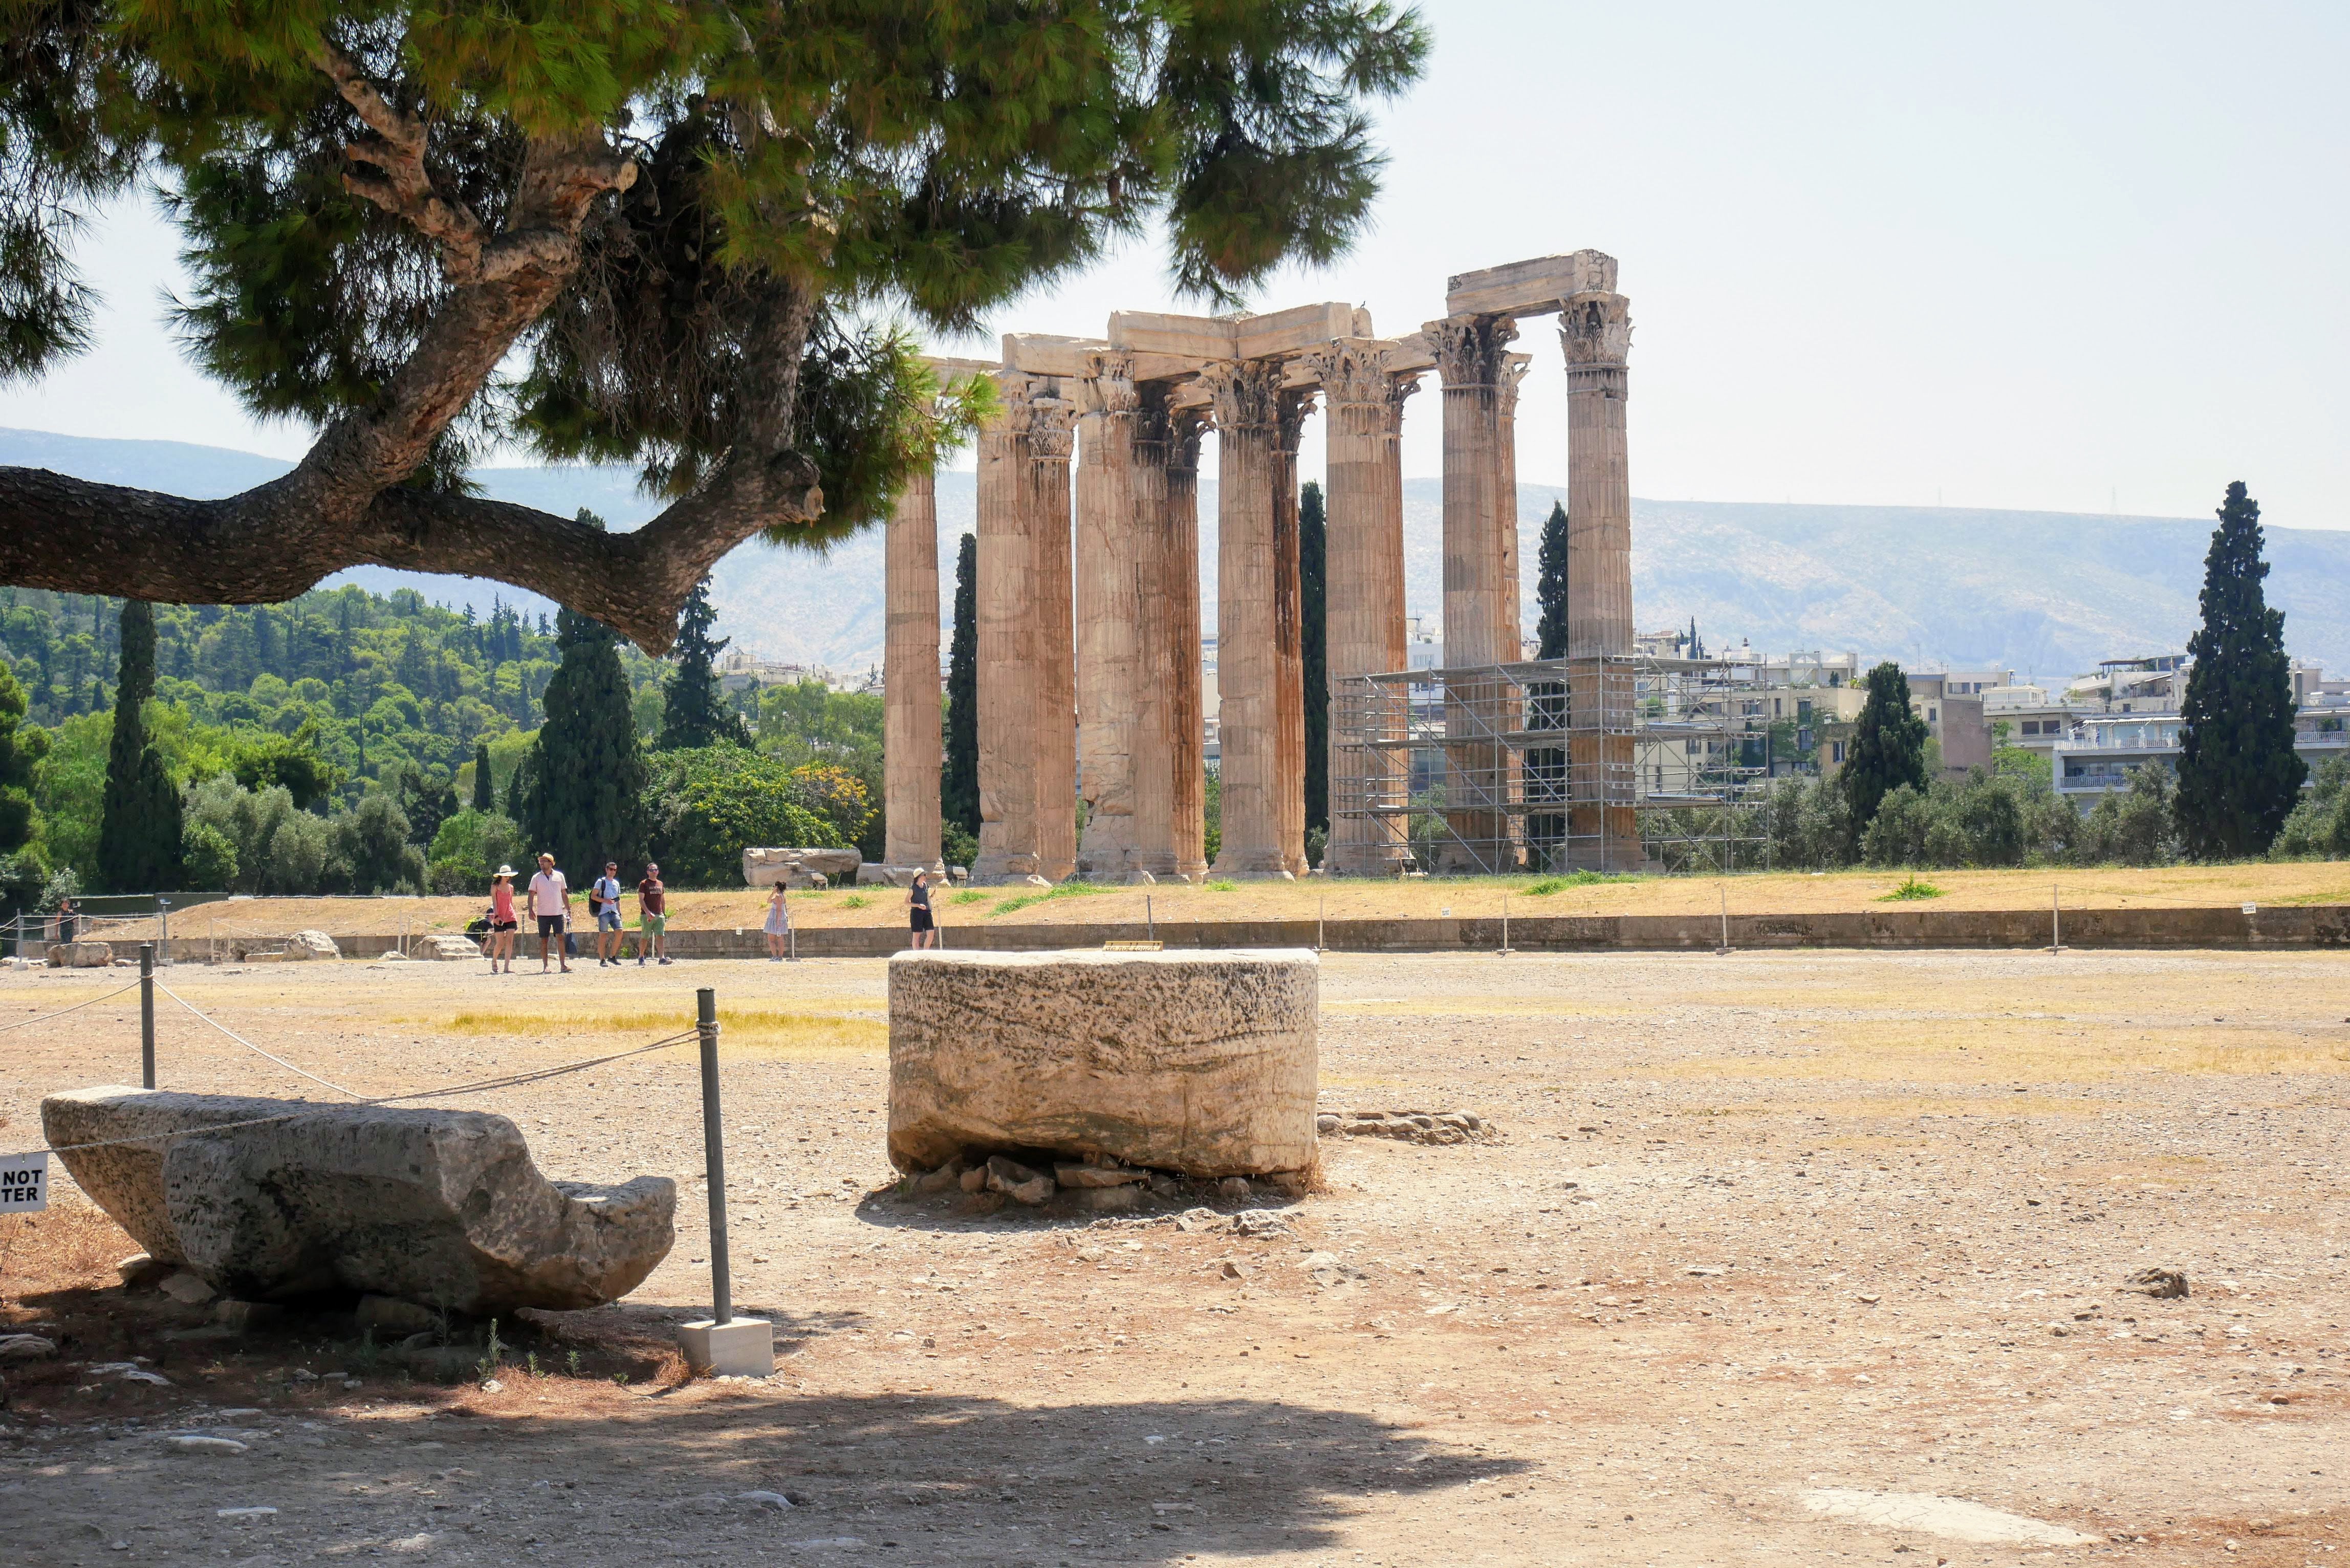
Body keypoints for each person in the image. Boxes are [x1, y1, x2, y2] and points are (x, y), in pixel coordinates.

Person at [527, 853, 572, 973]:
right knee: (544, 940)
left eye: (544, 861)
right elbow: (531, 894)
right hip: (543, 914)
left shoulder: (560, 876)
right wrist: (530, 909)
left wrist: (568, 909)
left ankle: (563, 965)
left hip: (558, 913)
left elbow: (564, 893)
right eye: (540, 862)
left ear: (551, 863)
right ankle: (546, 966)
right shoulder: (536, 878)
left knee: (561, 937)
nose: (541, 864)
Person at [592, 860, 626, 967]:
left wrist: (619, 912)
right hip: (604, 912)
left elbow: (617, 899)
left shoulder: (616, 883)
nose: (613, 872)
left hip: (614, 912)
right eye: (611, 869)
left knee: (620, 932)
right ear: (607, 870)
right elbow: (593, 896)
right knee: (603, 935)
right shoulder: (601, 882)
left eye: (615, 870)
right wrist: (605, 901)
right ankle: (602, 959)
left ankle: (612, 956)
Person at [487, 865, 519, 974]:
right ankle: (494, 960)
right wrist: (496, 916)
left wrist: (514, 915)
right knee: (500, 943)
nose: (508, 877)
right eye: (506, 876)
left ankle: (506, 967)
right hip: (499, 916)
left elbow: (511, 902)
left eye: (509, 876)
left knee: (509, 941)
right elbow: (494, 902)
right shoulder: (495, 887)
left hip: (510, 915)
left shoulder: (511, 888)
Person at [636, 862, 669, 966]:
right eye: (652, 870)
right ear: (648, 872)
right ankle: (641, 957)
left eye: (655, 870)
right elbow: (641, 900)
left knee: (660, 936)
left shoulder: (660, 884)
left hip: (659, 915)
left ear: (658, 872)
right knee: (645, 936)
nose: (654, 872)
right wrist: (647, 912)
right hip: (647, 916)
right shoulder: (644, 884)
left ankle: (662, 958)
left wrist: (664, 913)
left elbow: (662, 899)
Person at [906, 870, 938, 950]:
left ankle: (925, 952)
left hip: (927, 912)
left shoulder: (926, 886)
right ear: (919, 876)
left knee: (931, 932)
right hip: (916, 913)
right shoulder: (913, 888)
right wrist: (918, 906)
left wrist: (932, 896)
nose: (926, 876)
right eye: (924, 875)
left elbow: (925, 899)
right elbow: (906, 902)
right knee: (917, 935)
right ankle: (917, 955)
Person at [763, 880, 792, 961]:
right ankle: (780, 957)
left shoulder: (778, 897)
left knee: (772, 939)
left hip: (776, 919)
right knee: (780, 938)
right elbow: (769, 901)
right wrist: (773, 893)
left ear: (777, 887)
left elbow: (779, 910)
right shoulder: (781, 896)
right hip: (780, 918)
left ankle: (776, 957)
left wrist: (778, 924)